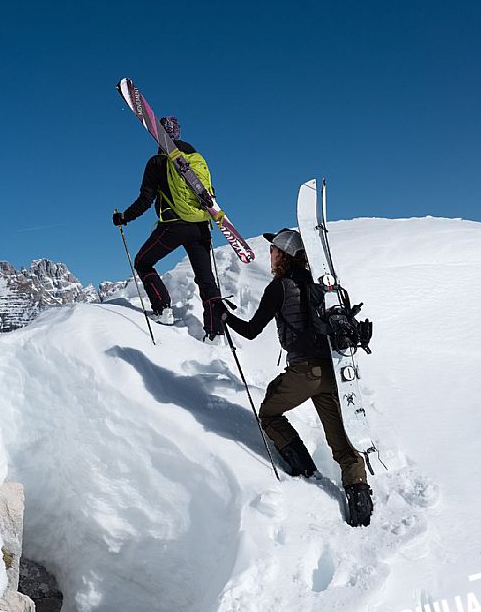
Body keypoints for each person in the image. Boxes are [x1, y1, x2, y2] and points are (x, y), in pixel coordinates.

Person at [223, 228, 374, 526]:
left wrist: (225, 316)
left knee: (268, 412)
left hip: (305, 371)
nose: (270, 254)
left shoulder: (279, 287)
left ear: (284, 254)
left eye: (273, 249)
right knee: (342, 440)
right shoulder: (323, 289)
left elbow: (252, 331)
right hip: (334, 370)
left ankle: (304, 469)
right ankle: (360, 501)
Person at [112, 116, 225, 339]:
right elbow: (210, 194)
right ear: (178, 133)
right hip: (201, 227)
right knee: (206, 280)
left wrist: (124, 217)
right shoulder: (197, 159)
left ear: (157, 134)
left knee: (143, 262)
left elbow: (145, 200)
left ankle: (163, 308)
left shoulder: (157, 162)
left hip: (173, 226)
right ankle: (216, 332)